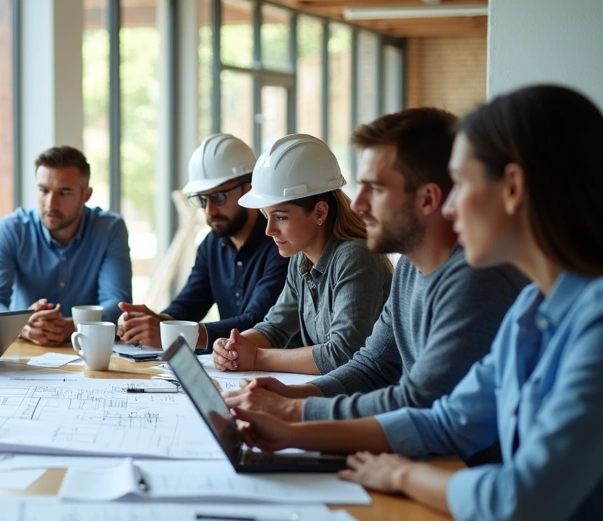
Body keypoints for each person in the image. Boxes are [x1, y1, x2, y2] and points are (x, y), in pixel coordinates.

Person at [231, 85, 603, 521]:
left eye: (462, 184)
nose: (451, 204)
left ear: (513, 188)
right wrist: (295, 425)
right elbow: (447, 418)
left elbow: (518, 500)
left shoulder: (592, 322)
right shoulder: (530, 310)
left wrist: (402, 473)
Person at [224, 109, 527, 422]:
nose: (357, 204)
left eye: (376, 188)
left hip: (453, 462)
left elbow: (419, 401)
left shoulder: (475, 280)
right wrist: (292, 394)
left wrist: (294, 411)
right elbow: (372, 366)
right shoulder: (410, 267)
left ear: (428, 199)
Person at [212, 134, 392, 376]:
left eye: (281, 217)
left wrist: (256, 357)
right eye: (267, 216)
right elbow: (275, 327)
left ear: (319, 212)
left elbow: (342, 354)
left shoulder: (356, 256)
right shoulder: (301, 258)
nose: (269, 230)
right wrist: (233, 346)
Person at [118, 134, 288, 351]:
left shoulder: (280, 242)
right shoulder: (211, 244)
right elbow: (189, 304)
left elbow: (259, 322)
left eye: (219, 197)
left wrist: (172, 332)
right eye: (201, 199)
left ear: (250, 188)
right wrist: (155, 320)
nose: (209, 210)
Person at [0, 146, 131, 346]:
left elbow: (117, 304)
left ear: (86, 195)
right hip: (25, 353)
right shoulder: (12, 229)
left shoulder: (110, 228)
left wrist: (71, 326)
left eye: (64, 192)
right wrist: (23, 325)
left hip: (88, 351)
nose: (51, 204)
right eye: (43, 190)